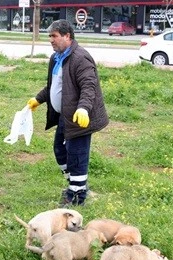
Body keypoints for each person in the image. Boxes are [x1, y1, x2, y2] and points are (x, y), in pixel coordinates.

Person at [25, 19, 109, 207]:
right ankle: (76, 185)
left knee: (77, 155)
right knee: (59, 150)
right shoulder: (56, 58)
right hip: (65, 115)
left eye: (54, 36)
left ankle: (77, 197)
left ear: (67, 36)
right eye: (49, 36)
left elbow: (89, 86)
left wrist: (83, 108)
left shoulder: (81, 58)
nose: (51, 40)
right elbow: (53, 86)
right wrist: (38, 99)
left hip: (80, 118)